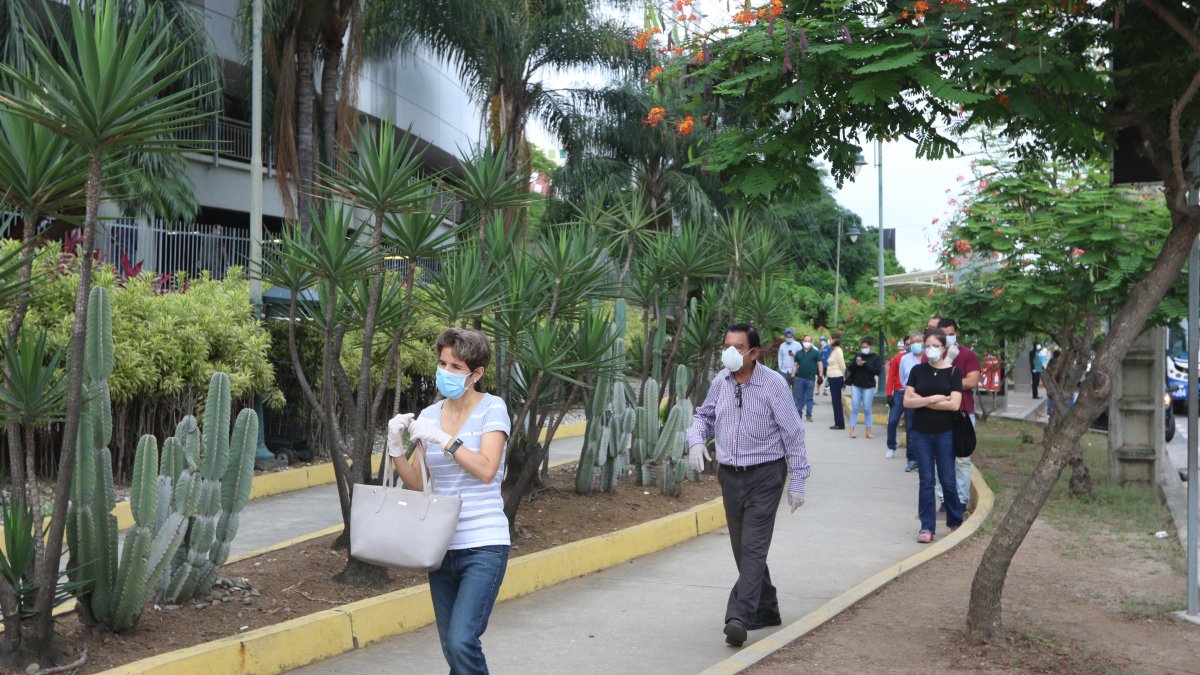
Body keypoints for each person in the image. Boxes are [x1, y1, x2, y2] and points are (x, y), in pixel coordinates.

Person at [387, 328, 511, 675]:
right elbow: (417, 484)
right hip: (441, 546)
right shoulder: (428, 415)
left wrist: (446, 440)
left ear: (476, 374)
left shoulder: (493, 409)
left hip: (484, 545)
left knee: (461, 642)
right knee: (451, 649)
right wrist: (396, 448)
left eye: (456, 367)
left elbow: (487, 469)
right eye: (442, 363)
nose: (445, 371)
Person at [686, 323, 812, 648]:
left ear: (754, 352)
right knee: (742, 548)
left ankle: (739, 617)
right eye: (726, 345)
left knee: (753, 546)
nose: (730, 352)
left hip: (766, 474)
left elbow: (793, 434)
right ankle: (766, 606)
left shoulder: (774, 385)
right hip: (730, 475)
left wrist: (797, 479)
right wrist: (696, 442)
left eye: (738, 347)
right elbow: (704, 416)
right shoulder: (721, 381)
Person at [904, 329, 965, 543]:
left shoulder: (953, 372)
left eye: (935, 346)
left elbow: (954, 405)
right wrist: (936, 398)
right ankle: (926, 527)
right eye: (927, 345)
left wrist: (923, 399)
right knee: (926, 480)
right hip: (920, 433)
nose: (930, 349)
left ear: (944, 348)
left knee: (947, 479)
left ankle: (955, 521)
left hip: (945, 433)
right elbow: (907, 402)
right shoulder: (917, 371)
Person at [931, 317, 981, 511]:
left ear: (957, 333)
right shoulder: (932, 355)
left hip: (963, 414)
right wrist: (950, 368)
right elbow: (929, 381)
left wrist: (946, 381)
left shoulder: (969, 355)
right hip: (938, 413)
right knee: (941, 458)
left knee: (962, 458)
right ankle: (944, 499)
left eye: (952, 334)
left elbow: (972, 381)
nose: (948, 338)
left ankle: (960, 500)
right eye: (945, 334)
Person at [845, 337, 882, 439]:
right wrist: (856, 364)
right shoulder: (858, 355)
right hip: (856, 385)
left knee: (867, 408)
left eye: (865, 347)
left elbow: (877, 371)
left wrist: (865, 365)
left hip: (869, 386)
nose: (863, 349)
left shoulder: (875, 357)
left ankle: (868, 431)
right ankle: (852, 430)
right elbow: (850, 368)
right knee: (855, 407)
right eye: (862, 347)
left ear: (870, 346)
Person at [899, 333, 924, 472]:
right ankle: (912, 459)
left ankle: (924, 460)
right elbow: (903, 380)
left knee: (926, 430)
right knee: (911, 429)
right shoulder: (905, 359)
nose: (915, 344)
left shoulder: (929, 358)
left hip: (928, 399)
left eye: (919, 341)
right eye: (912, 341)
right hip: (911, 398)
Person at [884, 336, 911, 458]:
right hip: (899, 393)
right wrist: (889, 394)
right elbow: (891, 376)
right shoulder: (898, 358)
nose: (911, 345)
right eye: (908, 344)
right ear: (904, 345)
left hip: (913, 394)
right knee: (893, 420)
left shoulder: (922, 359)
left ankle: (911, 453)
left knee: (911, 425)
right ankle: (891, 446)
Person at [790, 334, 823, 423]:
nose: (807, 343)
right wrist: (792, 376)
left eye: (809, 341)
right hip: (800, 378)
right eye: (805, 341)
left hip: (810, 379)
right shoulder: (798, 353)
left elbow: (820, 364)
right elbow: (795, 365)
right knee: (799, 397)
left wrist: (820, 376)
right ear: (802, 342)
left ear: (811, 342)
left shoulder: (815, 353)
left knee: (809, 398)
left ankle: (809, 415)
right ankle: (798, 415)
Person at [825, 338, 846, 429]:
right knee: (835, 401)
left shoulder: (838, 351)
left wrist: (841, 374)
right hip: (833, 377)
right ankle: (838, 422)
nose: (829, 341)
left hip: (837, 377)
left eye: (831, 339)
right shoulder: (833, 351)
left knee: (836, 401)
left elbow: (843, 365)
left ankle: (840, 424)